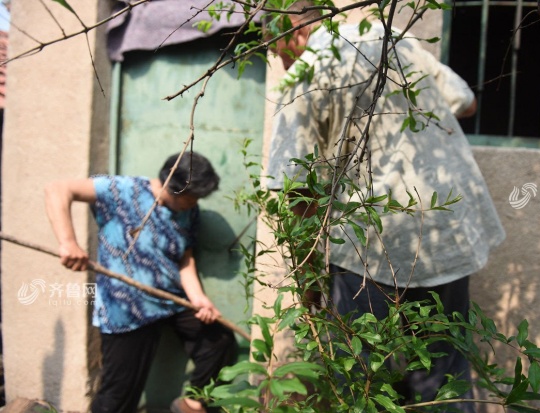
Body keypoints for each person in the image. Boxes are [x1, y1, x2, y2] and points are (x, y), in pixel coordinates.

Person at [265, 6, 505, 412]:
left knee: (360, 378)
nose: (279, 61)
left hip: (372, 247)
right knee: (442, 380)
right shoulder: (396, 38)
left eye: (274, 49)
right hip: (446, 232)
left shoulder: (308, 72)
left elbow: (299, 189)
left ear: (291, 30)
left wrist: (308, 281)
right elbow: (465, 102)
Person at [45, 152, 237, 413]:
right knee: (117, 398)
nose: (194, 204)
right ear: (170, 183)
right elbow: (58, 189)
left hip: (171, 301)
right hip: (127, 309)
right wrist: (68, 242)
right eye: (190, 197)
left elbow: (184, 259)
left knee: (219, 342)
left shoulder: (188, 212)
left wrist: (198, 298)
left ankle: (191, 404)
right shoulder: (121, 190)